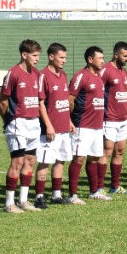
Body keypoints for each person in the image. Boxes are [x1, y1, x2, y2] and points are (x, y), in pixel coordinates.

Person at [0, 39, 42, 213]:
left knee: (30, 160)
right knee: (17, 161)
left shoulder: (36, 73)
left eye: (38, 55)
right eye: (34, 55)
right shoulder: (13, 73)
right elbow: (2, 101)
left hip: (34, 122)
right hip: (18, 123)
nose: (37, 58)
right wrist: (8, 120)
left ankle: (23, 200)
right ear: (24, 55)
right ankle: (9, 203)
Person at [36, 43, 77, 206]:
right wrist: (48, 125)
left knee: (61, 159)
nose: (64, 61)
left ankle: (56, 195)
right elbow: (40, 103)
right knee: (45, 161)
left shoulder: (64, 75)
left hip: (63, 127)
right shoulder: (43, 76)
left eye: (65, 58)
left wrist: (69, 121)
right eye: (61, 57)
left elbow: (63, 102)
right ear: (51, 57)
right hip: (50, 129)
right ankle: (39, 196)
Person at [69, 46, 109, 200]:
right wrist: (70, 119)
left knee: (94, 157)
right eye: (100, 58)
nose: (103, 61)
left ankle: (94, 192)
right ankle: (73, 195)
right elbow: (70, 99)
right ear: (90, 59)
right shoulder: (81, 76)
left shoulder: (99, 77)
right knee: (79, 158)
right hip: (82, 125)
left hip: (97, 126)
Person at [99, 42, 127, 196]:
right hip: (109, 118)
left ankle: (115, 186)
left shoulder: (123, 71)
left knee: (120, 152)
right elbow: (97, 91)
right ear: (116, 54)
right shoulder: (105, 70)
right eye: (125, 56)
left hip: (123, 119)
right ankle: (99, 187)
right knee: (106, 152)